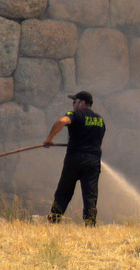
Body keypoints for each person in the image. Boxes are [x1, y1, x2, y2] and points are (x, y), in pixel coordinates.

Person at [42, 90, 106, 226]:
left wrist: (49, 139)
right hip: (93, 161)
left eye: (74, 102)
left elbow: (61, 121)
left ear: (82, 103)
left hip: (75, 159)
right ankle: (90, 225)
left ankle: (54, 222)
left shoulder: (75, 115)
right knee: (90, 195)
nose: (73, 105)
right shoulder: (100, 120)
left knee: (64, 192)